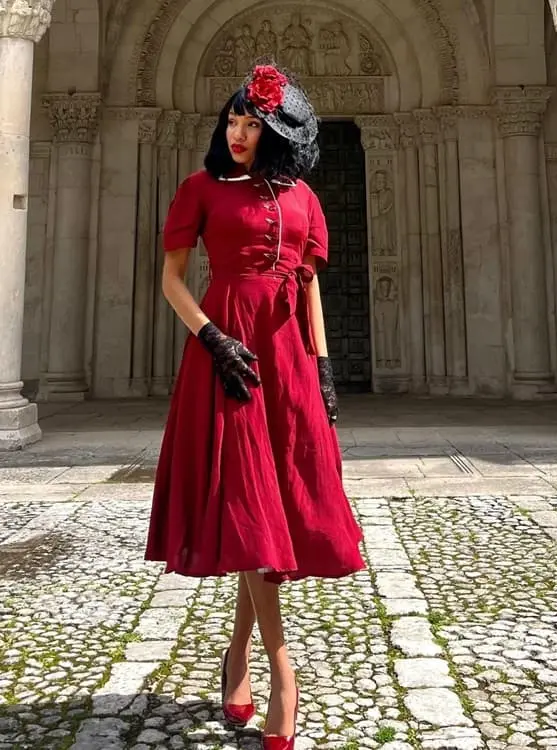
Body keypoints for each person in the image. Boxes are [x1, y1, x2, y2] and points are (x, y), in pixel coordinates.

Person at [145, 64, 365, 749]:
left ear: (275, 131)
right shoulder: (201, 189)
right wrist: (211, 338)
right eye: (232, 121)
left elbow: (308, 287)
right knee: (249, 504)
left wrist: (324, 366)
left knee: (278, 511)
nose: (238, 133)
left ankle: (235, 649)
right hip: (229, 357)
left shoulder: (301, 197)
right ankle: (281, 670)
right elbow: (172, 278)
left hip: (291, 358)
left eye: (252, 122)